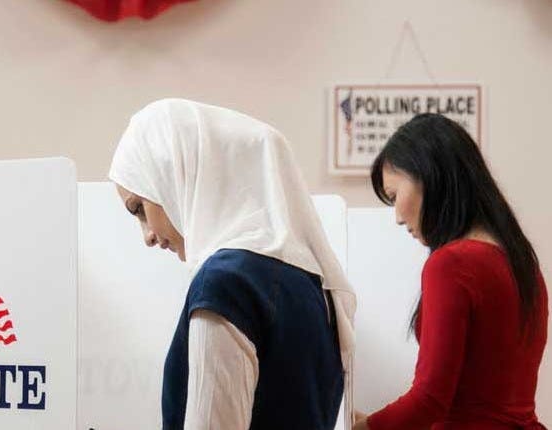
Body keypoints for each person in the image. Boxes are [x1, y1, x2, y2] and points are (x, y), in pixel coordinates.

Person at [109, 98, 357, 429]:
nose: (148, 236)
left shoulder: (225, 283)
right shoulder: (315, 286)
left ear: (175, 172)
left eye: (139, 208)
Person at [354, 113, 548, 430]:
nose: (398, 219)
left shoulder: (452, 264)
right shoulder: (522, 262)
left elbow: (429, 400)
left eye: (393, 196)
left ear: (428, 177)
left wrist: (361, 428)